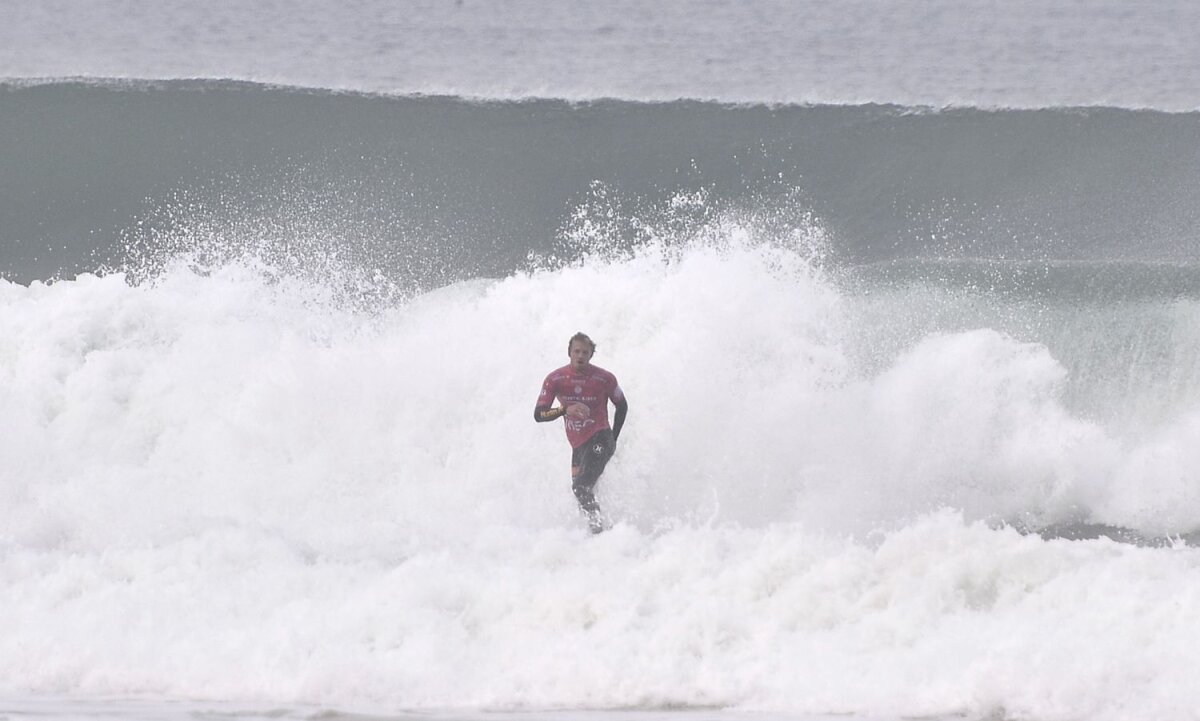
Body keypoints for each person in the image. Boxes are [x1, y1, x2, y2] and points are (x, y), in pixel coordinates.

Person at [534, 332, 628, 533]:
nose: (580, 356)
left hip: (600, 437)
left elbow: (622, 406)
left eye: (585, 352)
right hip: (577, 446)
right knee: (581, 490)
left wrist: (613, 438)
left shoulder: (604, 378)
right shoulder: (555, 379)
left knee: (581, 488)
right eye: (576, 351)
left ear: (591, 355)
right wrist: (564, 409)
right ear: (569, 352)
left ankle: (599, 531)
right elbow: (539, 414)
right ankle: (606, 532)